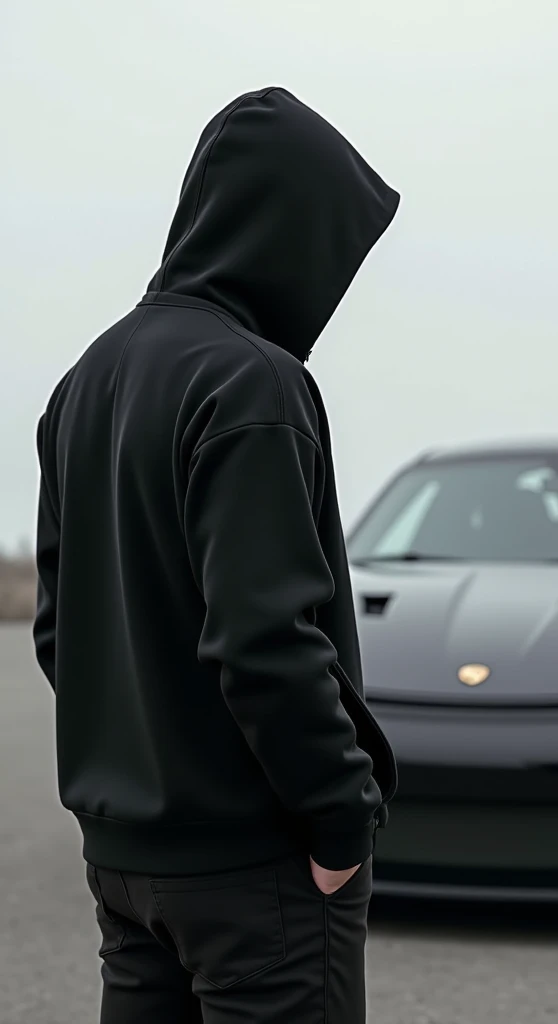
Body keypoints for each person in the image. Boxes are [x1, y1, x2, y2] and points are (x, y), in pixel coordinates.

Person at [32, 87, 399, 1024]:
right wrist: (337, 819)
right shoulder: (254, 383)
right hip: (258, 874)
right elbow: (266, 639)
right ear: (287, 230)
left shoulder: (88, 379)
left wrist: (144, 764)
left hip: (127, 866)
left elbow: (57, 632)